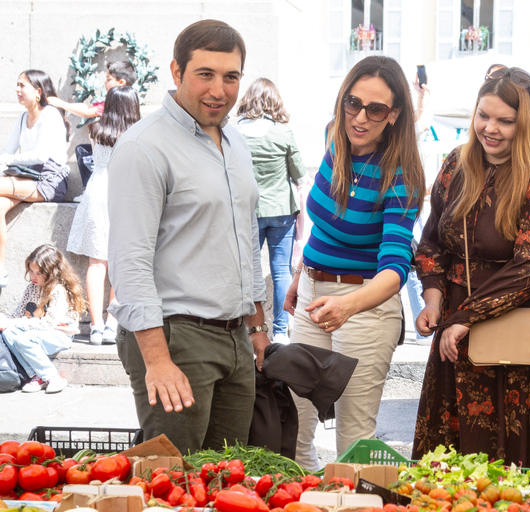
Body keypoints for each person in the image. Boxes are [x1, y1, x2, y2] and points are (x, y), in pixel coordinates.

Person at [107, 19, 269, 454]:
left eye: (231, 76)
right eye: (206, 74)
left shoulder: (234, 141)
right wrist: (157, 361)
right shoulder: (143, 147)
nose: (219, 89)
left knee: (228, 477)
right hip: (176, 338)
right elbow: (130, 263)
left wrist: (256, 323)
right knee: (172, 480)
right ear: (177, 72)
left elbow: (246, 237)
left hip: (235, 337)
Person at [412, 66, 530, 467]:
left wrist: (467, 316)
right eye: (483, 115)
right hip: (457, 318)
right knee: (452, 453)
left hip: (522, 320)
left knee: (521, 446)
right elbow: (433, 239)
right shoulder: (456, 163)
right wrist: (434, 299)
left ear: (527, 123)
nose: (491, 128)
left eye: (506, 121)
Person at [283, 55, 425, 471]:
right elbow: (322, 223)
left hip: (364, 308)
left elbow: (395, 269)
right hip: (312, 294)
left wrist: (348, 305)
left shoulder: (400, 174)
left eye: (375, 109)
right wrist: (300, 273)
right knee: (294, 425)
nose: (359, 117)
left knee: (352, 439)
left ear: (394, 115)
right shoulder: (334, 136)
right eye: (352, 102)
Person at [67, 86, 141, 345]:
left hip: (97, 191)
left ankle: (96, 327)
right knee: (124, 263)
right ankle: (113, 323)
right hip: (125, 193)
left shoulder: (95, 129)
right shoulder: (139, 133)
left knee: (96, 264)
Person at [235, 78, 306, 344]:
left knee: (247, 270)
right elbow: (299, 175)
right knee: (280, 271)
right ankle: (279, 331)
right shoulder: (283, 132)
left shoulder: (235, 132)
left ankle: (251, 328)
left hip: (248, 210)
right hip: (281, 211)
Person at [0, 70, 71, 287]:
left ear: (38, 92)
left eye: (22, 85)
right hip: (27, 177)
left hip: (50, 180)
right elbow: (8, 149)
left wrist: (8, 160)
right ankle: (1, 270)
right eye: (17, 84)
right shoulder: (23, 117)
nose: (17, 90)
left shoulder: (50, 115)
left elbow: (40, 155)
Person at [1, 244, 85, 394]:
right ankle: (37, 376)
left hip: (58, 334)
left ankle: (53, 377)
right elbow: (18, 315)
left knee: (23, 340)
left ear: (51, 273)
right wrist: (5, 321)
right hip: (34, 332)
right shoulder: (31, 288)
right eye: (31, 271)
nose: (33, 276)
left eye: (38, 273)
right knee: (8, 333)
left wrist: (13, 322)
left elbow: (47, 324)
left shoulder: (58, 290)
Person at [48, 61, 137, 194]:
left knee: (84, 152)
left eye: (108, 79)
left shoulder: (113, 102)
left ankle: (88, 190)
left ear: (121, 83)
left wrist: (60, 103)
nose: (105, 84)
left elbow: (87, 112)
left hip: (113, 163)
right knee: (83, 150)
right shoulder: (131, 100)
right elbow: (88, 109)